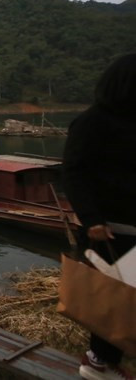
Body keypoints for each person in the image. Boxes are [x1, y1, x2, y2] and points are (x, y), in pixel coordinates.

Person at [62, 54, 136, 380]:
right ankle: (97, 361)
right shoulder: (93, 122)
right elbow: (74, 172)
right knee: (113, 296)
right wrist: (91, 219)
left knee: (126, 297)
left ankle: (105, 359)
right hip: (108, 229)